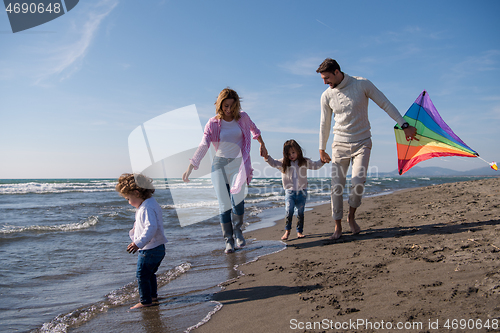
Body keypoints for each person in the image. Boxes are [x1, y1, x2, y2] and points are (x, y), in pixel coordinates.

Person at [316, 58, 417, 240]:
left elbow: (385, 103)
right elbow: (325, 123)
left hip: (362, 141)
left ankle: (351, 217)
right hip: (339, 144)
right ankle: (337, 226)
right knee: (336, 187)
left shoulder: (362, 84)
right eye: (323, 79)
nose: (325, 82)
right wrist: (321, 148)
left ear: (337, 72)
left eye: (327, 78)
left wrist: (404, 125)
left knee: (358, 182)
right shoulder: (327, 95)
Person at [182, 88, 267, 254]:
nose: (228, 109)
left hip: (239, 165)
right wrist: (191, 166)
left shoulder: (243, 117)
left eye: (231, 106)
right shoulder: (213, 123)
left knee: (238, 201)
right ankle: (228, 240)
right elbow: (204, 144)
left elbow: (255, 131)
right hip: (219, 165)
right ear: (219, 104)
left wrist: (263, 145)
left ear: (236, 105)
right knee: (224, 205)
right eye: (225, 106)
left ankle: (238, 231)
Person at [115, 173, 168, 309]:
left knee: (142, 275)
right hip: (158, 247)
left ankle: (146, 301)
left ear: (136, 193)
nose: (128, 202)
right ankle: (153, 296)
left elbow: (151, 227)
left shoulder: (146, 208)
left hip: (150, 249)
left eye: (128, 198)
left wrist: (138, 243)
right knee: (150, 274)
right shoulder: (150, 203)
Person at [265, 139, 324, 240]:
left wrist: (323, 160)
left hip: (302, 192)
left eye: (293, 152)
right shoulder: (284, 162)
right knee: (289, 210)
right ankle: (287, 231)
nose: (291, 155)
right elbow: (273, 163)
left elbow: (315, 165)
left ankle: (299, 231)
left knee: (300, 212)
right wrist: (266, 157)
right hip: (289, 192)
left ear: (298, 151)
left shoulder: (304, 162)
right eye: (288, 153)